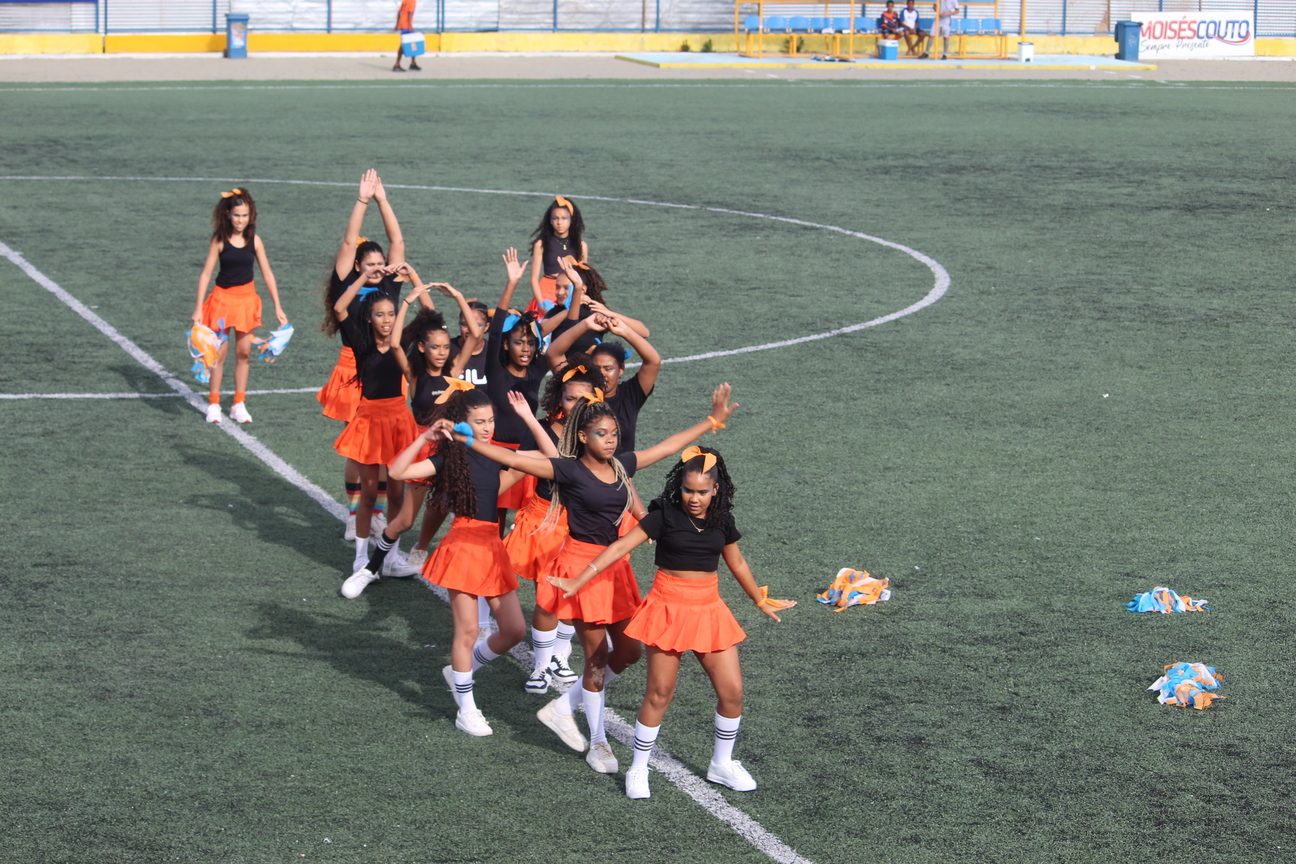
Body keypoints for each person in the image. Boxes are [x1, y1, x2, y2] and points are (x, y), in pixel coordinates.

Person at [445, 384, 738, 774]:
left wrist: (711, 421)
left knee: (629, 651)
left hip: (614, 569)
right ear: (583, 436)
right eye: (602, 434)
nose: (611, 440)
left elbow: (668, 448)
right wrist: (469, 441)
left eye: (614, 433)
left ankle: (564, 706)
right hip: (580, 570)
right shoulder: (568, 469)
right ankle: (598, 742)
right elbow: (512, 459)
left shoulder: (621, 466)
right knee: (596, 659)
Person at [550, 446, 795, 799]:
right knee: (660, 693)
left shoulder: (722, 520)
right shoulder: (663, 515)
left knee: (732, 693)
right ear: (679, 486)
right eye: (687, 490)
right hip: (667, 607)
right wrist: (578, 580)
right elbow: (619, 548)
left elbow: (737, 562)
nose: (694, 498)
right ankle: (638, 767)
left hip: (708, 608)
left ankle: (721, 764)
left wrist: (759, 599)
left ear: (715, 489)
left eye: (702, 492)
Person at [388, 388, 535, 736]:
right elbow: (397, 472)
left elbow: (550, 457)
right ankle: (466, 709)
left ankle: (460, 673)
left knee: (514, 630)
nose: (487, 427)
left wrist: (528, 418)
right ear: (462, 424)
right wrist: (425, 437)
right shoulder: (448, 459)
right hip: (464, 546)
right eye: (479, 422)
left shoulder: (497, 454)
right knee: (468, 631)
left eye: (491, 420)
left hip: (492, 547)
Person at [340, 284, 484, 599]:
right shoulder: (414, 375)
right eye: (434, 347)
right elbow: (394, 343)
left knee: (467, 509)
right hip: (423, 449)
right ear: (421, 347)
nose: (442, 352)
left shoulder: (454, 370)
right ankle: (369, 567)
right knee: (405, 519)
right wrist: (406, 300)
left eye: (445, 347)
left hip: (452, 449)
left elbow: (474, 334)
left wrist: (459, 297)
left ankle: (464, 572)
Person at [318, 170, 429, 545]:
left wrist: (383, 199)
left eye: (381, 263)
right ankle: (356, 515)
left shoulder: (389, 285)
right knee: (359, 449)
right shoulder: (348, 283)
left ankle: (377, 513)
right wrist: (362, 200)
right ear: (356, 267)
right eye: (370, 264)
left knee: (385, 449)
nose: (378, 267)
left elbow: (398, 240)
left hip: (388, 369)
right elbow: (350, 240)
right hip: (354, 369)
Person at [505, 361, 605, 694]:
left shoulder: (599, 433)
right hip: (545, 520)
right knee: (547, 597)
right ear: (558, 399)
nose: (575, 405)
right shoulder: (543, 429)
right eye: (569, 398)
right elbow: (519, 468)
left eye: (583, 399)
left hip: (583, 521)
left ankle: (559, 657)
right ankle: (541, 665)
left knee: (572, 595)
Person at [330, 254, 427, 575]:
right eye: (379, 314)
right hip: (370, 421)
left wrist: (413, 278)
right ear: (369, 318)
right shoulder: (361, 343)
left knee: (397, 492)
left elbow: (429, 316)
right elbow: (340, 308)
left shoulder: (403, 341)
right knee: (370, 493)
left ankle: (390, 558)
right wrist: (365, 275)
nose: (386, 320)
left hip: (399, 420)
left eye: (391, 314)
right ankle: (360, 558)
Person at [193, 187, 287, 424]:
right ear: (228, 214)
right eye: (236, 215)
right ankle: (214, 404)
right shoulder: (219, 240)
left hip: (246, 301)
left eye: (245, 215)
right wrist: (198, 308)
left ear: (250, 216)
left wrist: (278, 306)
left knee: (243, 353)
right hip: (221, 302)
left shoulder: (255, 241)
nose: (240, 220)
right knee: (218, 354)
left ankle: (238, 404)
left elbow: (267, 274)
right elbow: (206, 275)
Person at [484, 249, 548, 531]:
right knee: (493, 521)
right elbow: (495, 330)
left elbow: (559, 338)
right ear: (506, 345)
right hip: (497, 454)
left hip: (527, 457)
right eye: (519, 342)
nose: (525, 349)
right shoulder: (496, 371)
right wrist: (512, 283)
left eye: (530, 343)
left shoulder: (536, 371)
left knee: (527, 522)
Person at [528, 196, 587, 314]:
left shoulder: (581, 245)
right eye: (555, 218)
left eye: (564, 218)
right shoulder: (541, 244)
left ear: (572, 220)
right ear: (550, 220)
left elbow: (584, 277)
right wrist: (541, 305)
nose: (559, 222)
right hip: (546, 293)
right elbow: (534, 279)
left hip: (570, 292)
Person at [392, 0, 421, 72]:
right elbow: (409, 13)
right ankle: (397, 64)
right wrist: (410, 25)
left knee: (413, 43)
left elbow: (399, 11)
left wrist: (397, 24)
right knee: (408, 44)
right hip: (406, 25)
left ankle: (413, 63)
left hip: (403, 24)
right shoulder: (412, 1)